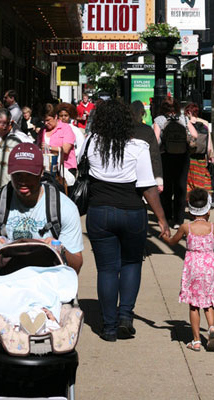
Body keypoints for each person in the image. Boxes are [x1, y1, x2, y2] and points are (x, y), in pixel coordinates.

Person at [82, 99, 170, 342]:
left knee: (107, 269)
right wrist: (162, 219)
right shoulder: (138, 146)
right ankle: (125, 317)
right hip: (132, 212)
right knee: (131, 263)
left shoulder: (90, 142)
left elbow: (82, 171)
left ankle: (108, 327)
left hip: (99, 212)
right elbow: (148, 187)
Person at [0, 143, 84, 273]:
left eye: (29, 175)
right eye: (17, 175)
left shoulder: (64, 207)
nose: (23, 181)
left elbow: (76, 265)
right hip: (6, 284)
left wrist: (60, 249)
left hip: (49, 283)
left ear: (41, 172)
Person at [162, 189, 214, 352]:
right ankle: (211, 327)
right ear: (208, 210)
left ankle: (196, 340)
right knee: (208, 301)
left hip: (193, 265)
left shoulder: (186, 227)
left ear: (190, 210)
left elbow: (172, 242)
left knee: (193, 304)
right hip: (209, 265)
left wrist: (165, 236)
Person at [153, 96, 198, 228]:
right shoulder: (183, 118)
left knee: (166, 188)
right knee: (181, 187)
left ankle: (167, 216)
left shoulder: (159, 120)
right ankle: (179, 220)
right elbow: (195, 135)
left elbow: (155, 140)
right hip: (182, 157)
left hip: (165, 156)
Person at [38, 104, 78, 187]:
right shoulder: (42, 131)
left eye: (48, 120)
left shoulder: (66, 128)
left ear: (55, 117)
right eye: (44, 121)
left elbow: (66, 149)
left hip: (65, 168)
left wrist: (48, 147)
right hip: (46, 169)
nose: (46, 123)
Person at [130, 100, 163, 189]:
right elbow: (154, 156)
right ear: (143, 113)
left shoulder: (124, 130)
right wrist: (159, 180)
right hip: (144, 174)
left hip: (127, 174)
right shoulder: (147, 131)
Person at [184, 103, 214, 195]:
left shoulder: (187, 124)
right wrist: (211, 155)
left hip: (190, 158)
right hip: (202, 158)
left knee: (190, 181)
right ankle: (202, 199)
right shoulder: (204, 124)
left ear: (189, 112)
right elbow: (209, 144)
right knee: (201, 179)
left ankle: (192, 201)